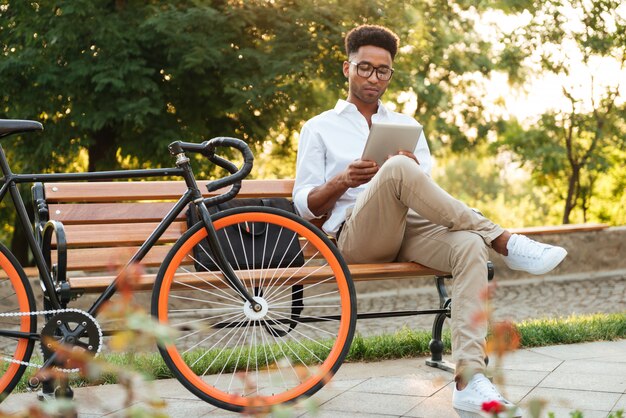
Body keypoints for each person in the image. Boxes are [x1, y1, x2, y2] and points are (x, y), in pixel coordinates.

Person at [292, 24, 567, 415]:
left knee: (469, 246)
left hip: (405, 228)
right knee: (401, 169)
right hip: (352, 238)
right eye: (364, 67)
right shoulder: (319, 127)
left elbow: (431, 201)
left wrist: (412, 170)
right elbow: (304, 205)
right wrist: (343, 180)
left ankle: (470, 381)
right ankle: (504, 240)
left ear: (391, 74)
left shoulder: (405, 125)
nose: (374, 77)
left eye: (383, 70)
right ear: (346, 68)